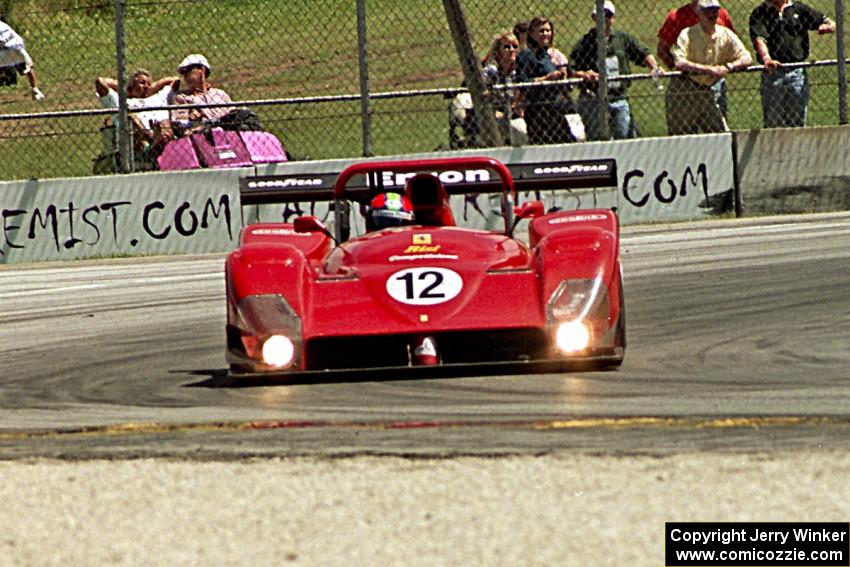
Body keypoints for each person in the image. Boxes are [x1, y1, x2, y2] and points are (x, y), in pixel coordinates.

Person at [570, 1, 662, 140]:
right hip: (593, 97)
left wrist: (654, 66)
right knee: (596, 137)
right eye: (600, 15)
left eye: (608, 15)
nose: (604, 18)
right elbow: (571, 68)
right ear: (594, 18)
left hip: (619, 96)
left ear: (613, 18)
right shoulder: (585, 42)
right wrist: (584, 74)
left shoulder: (621, 39)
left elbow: (643, 53)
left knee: (624, 134)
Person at [666, 0, 752, 135]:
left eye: (715, 10)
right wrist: (708, 70)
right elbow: (679, 62)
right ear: (698, 13)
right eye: (707, 11)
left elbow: (747, 57)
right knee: (682, 136)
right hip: (684, 89)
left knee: (720, 134)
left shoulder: (726, 34)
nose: (712, 14)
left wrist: (728, 67)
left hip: (708, 90)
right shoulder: (687, 34)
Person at [749, 0, 835, 128]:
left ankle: (796, 147)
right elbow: (759, 39)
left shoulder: (797, 8)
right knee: (773, 121)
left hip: (797, 71)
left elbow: (828, 21)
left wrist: (828, 26)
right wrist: (767, 58)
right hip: (773, 72)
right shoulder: (760, 12)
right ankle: (775, 147)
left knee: (797, 120)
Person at [516, 16, 589, 145]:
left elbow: (570, 72)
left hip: (557, 111)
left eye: (548, 31)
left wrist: (581, 74)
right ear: (532, 34)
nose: (546, 34)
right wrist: (547, 78)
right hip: (538, 113)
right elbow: (522, 82)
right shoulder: (526, 55)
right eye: (541, 31)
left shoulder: (546, 55)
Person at [656, 0, 735, 117]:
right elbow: (662, 49)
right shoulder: (677, 16)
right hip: (685, 85)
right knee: (684, 128)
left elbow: (731, 44)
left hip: (714, 81)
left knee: (717, 129)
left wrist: (721, 68)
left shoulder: (720, 14)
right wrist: (680, 70)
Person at [94, 69, 177, 150]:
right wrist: (126, 89)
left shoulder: (158, 98)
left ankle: (156, 143)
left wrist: (152, 88)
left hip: (162, 138)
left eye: (149, 84)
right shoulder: (121, 101)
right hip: (136, 145)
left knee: (165, 122)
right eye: (142, 83)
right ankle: (151, 141)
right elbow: (100, 82)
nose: (146, 86)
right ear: (132, 85)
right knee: (131, 116)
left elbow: (176, 80)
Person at [482, 31, 525, 144]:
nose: (512, 49)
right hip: (496, 114)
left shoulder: (520, 71)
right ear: (498, 52)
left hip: (517, 114)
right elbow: (484, 94)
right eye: (506, 47)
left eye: (515, 46)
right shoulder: (491, 71)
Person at [0, 19, 44, 100]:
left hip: (6, 52)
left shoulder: (3, 25)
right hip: (16, 49)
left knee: (28, 67)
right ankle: (35, 90)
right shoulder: (3, 25)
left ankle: (35, 90)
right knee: (29, 67)